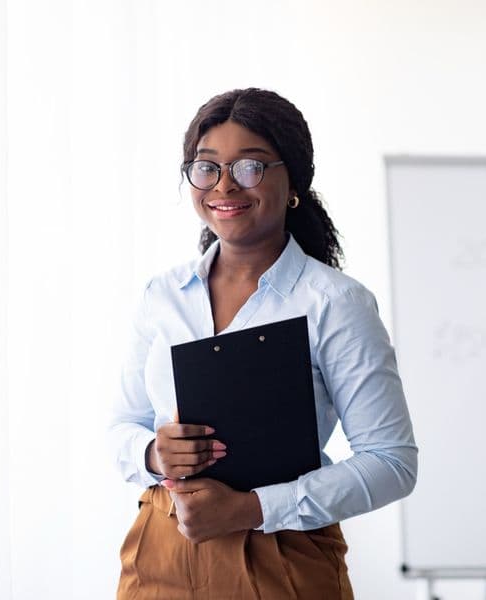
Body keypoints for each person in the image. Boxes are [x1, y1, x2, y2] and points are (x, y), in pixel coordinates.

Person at [107, 88, 417, 599]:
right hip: (161, 549)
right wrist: (153, 454)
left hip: (281, 555)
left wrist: (251, 509)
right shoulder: (163, 295)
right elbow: (124, 424)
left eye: (249, 166)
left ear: (292, 179)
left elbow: (392, 461)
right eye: (207, 167)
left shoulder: (335, 303)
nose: (225, 185)